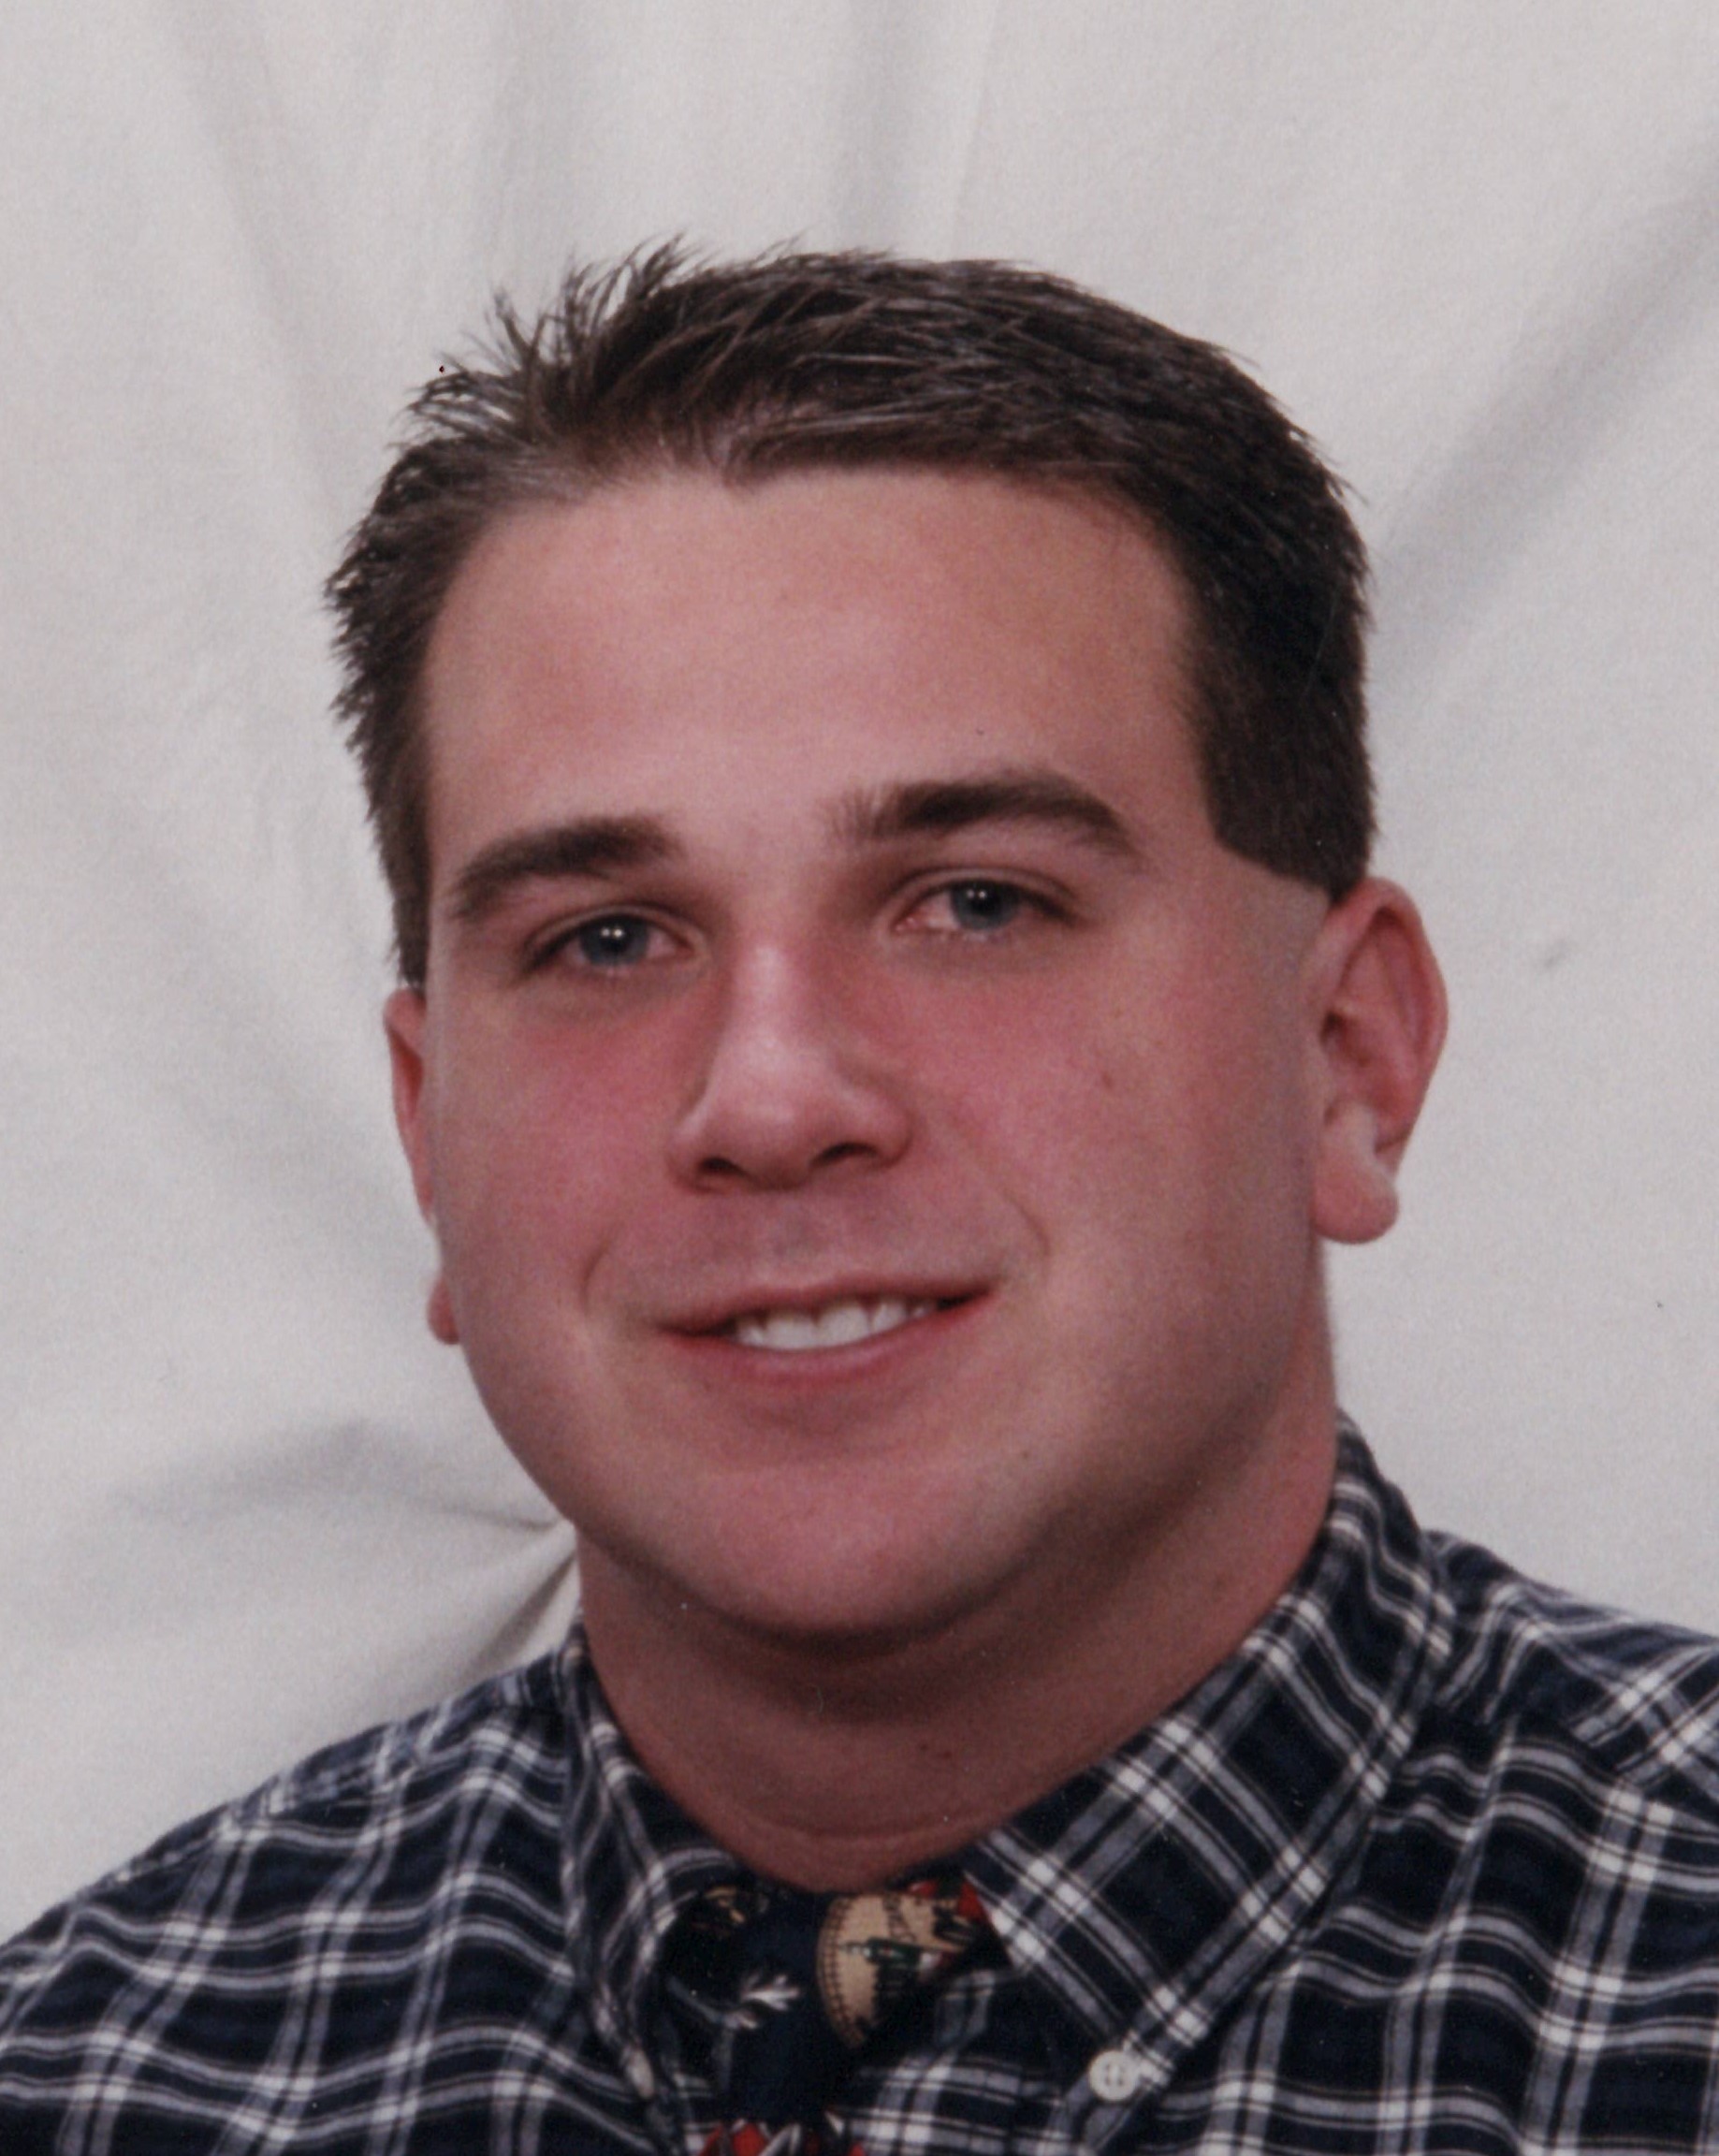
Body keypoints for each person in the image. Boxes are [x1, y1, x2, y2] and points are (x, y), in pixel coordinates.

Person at [3, 245, 1717, 2156]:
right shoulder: (87, 2075)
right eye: (606, 938)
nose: (769, 1098)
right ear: (428, 1133)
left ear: (1347, 1057)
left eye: (975, 903)